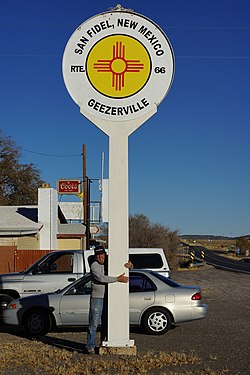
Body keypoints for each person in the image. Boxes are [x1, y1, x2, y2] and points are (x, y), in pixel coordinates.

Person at [86, 245, 132, 354]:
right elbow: (101, 278)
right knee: (94, 323)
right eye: (97, 255)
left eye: (101, 254)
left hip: (109, 297)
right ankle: (90, 346)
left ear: (105, 254)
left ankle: (104, 342)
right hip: (97, 298)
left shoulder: (110, 262)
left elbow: (124, 264)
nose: (100, 257)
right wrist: (118, 279)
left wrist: (130, 265)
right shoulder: (94, 265)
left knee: (107, 322)